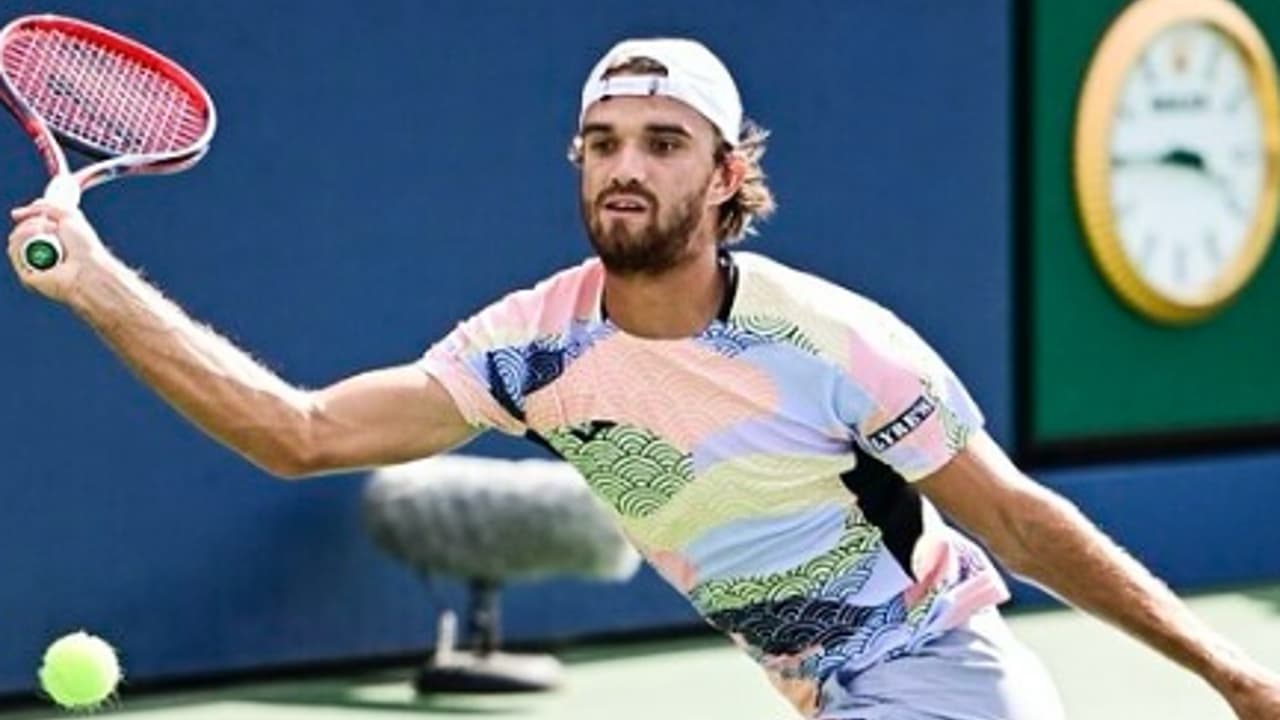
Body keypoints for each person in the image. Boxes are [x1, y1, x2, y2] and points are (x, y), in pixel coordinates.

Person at [6, 36, 1280, 720]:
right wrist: (100, 288)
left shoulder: (832, 344)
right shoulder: (530, 346)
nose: (627, 165)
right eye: (603, 141)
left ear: (727, 177)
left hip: (936, 684)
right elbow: (297, 433)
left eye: (664, 143)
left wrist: (1224, 672)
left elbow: (1012, 516)